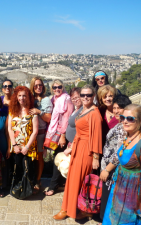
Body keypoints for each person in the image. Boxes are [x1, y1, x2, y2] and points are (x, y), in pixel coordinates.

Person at [53, 84, 102, 220]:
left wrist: (96, 157)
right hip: (78, 147)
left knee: (78, 180)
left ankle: (75, 209)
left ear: (93, 97)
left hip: (86, 150)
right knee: (73, 180)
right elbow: (79, 133)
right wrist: (72, 147)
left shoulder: (94, 113)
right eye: (83, 95)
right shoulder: (83, 110)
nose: (85, 97)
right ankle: (68, 208)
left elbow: (96, 136)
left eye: (89, 95)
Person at [103, 104, 141, 225]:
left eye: (130, 119)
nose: (125, 121)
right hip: (119, 188)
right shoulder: (129, 136)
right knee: (111, 219)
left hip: (132, 194)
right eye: (122, 118)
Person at [99, 95, 132, 223]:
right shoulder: (120, 124)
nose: (116, 111)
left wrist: (107, 169)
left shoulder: (123, 128)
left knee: (110, 199)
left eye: (120, 108)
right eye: (115, 108)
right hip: (108, 167)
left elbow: (120, 152)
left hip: (112, 170)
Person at [43, 79, 73, 196]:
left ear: (63, 87)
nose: (57, 89)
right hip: (54, 132)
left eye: (59, 87)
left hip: (61, 134)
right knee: (57, 157)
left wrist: (63, 135)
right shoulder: (54, 99)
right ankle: (60, 183)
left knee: (58, 158)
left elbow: (67, 118)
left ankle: (52, 186)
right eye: (54, 88)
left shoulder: (66, 99)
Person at [8, 86, 39, 191]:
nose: (22, 98)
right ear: (16, 97)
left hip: (28, 147)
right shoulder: (12, 112)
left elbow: (35, 132)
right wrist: (14, 145)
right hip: (16, 147)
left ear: (28, 97)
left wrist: (26, 147)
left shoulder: (32, 112)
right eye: (19, 96)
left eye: (24, 96)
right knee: (18, 168)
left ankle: (28, 189)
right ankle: (18, 189)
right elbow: (10, 129)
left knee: (29, 169)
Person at [29, 77, 53, 194]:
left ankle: (38, 180)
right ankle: (30, 180)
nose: (38, 87)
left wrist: (39, 112)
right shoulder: (30, 98)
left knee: (39, 158)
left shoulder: (46, 100)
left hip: (40, 133)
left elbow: (48, 118)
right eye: (36, 85)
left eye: (40, 85)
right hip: (28, 133)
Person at [64, 87, 83, 155]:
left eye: (77, 97)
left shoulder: (83, 110)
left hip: (76, 146)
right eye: (73, 99)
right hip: (71, 144)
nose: (75, 100)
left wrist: (71, 147)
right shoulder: (76, 109)